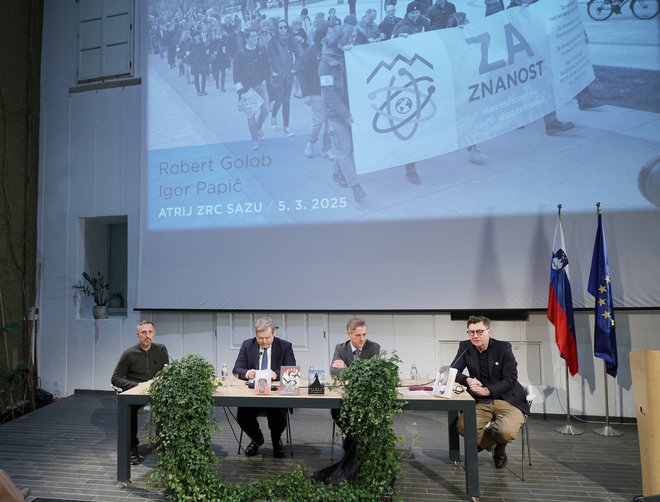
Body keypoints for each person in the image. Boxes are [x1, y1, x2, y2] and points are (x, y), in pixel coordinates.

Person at [451, 315, 529, 469]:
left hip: (507, 399)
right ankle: (493, 445)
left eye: (479, 331)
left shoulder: (503, 347)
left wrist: (488, 390)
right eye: (471, 332)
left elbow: (511, 379)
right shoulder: (465, 347)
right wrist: (467, 380)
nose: (475, 336)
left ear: (489, 331)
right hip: (481, 401)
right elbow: (453, 371)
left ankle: (500, 448)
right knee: (462, 427)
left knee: (505, 431)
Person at [232, 316, 296, 458]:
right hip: (253, 394)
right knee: (242, 416)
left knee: (279, 415)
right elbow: (237, 369)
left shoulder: (285, 346)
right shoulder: (247, 345)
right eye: (260, 338)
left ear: (274, 333)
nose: (264, 341)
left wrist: (276, 374)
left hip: (275, 394)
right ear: (256, 335)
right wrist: (249, 373)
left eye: (267, 338)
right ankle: (257, 440)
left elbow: (291, 371)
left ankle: (275, 440)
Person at [319, 23, 368, 202]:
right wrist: (346, 115)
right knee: (345, 148)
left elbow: (370, 54)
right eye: (351, 39)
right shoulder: (325, 64)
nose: (354, 42)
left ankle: (336, 173)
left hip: (350, 109)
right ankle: (355, 186)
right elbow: (329, 96)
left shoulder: (348, 54)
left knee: (343, 148)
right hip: (336, 114)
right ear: (341, 40)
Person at [111, 320, 169, 465]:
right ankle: (132, 449)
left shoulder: (161, 350)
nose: (147, 335)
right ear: (138, 335)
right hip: (136, 395)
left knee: (169, 407)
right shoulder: (129, 354)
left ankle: (164, 447)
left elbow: (167, 374)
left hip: (156, 394)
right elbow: (115, 378)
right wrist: (138, 385)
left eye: (150, 332)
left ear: (154, 334)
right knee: (128, 411)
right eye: (143, 332)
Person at [330, 317, 381, 425]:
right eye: (358, 335)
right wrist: (359, 372)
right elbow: (334, 372)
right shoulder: (340, 348)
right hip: (345, 395)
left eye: (364, 334)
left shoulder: (374, 347)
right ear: (349, 334)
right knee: (337, 412)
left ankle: (351, 442)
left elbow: (373, 373)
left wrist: (346, 369)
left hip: (366, 396)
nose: (362, 339)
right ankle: (356, 441)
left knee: (366, 418)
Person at [299, 22, 332, 159]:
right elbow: (303, 73)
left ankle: (326, 149)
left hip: (330, 91)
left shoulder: (333, 49)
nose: (333, 35)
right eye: (330, 33)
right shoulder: (310, 52)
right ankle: (311, 143)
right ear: (323, 36)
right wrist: (305, 94)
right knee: (318, 121)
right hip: (315, 91)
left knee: (330, 122)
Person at [233, 29, 271, 150]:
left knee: (265, 110)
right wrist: (241, 93)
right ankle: (254, 139)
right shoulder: (240, 55)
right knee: (251, 115)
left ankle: (258, 128)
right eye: (253, 36)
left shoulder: (262, 50)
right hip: (247, 89)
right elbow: (236, 76)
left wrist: (265, 79)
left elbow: (266, 66)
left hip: (261, 85)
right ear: (247, 39)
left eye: (256, 36)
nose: (256, 38)